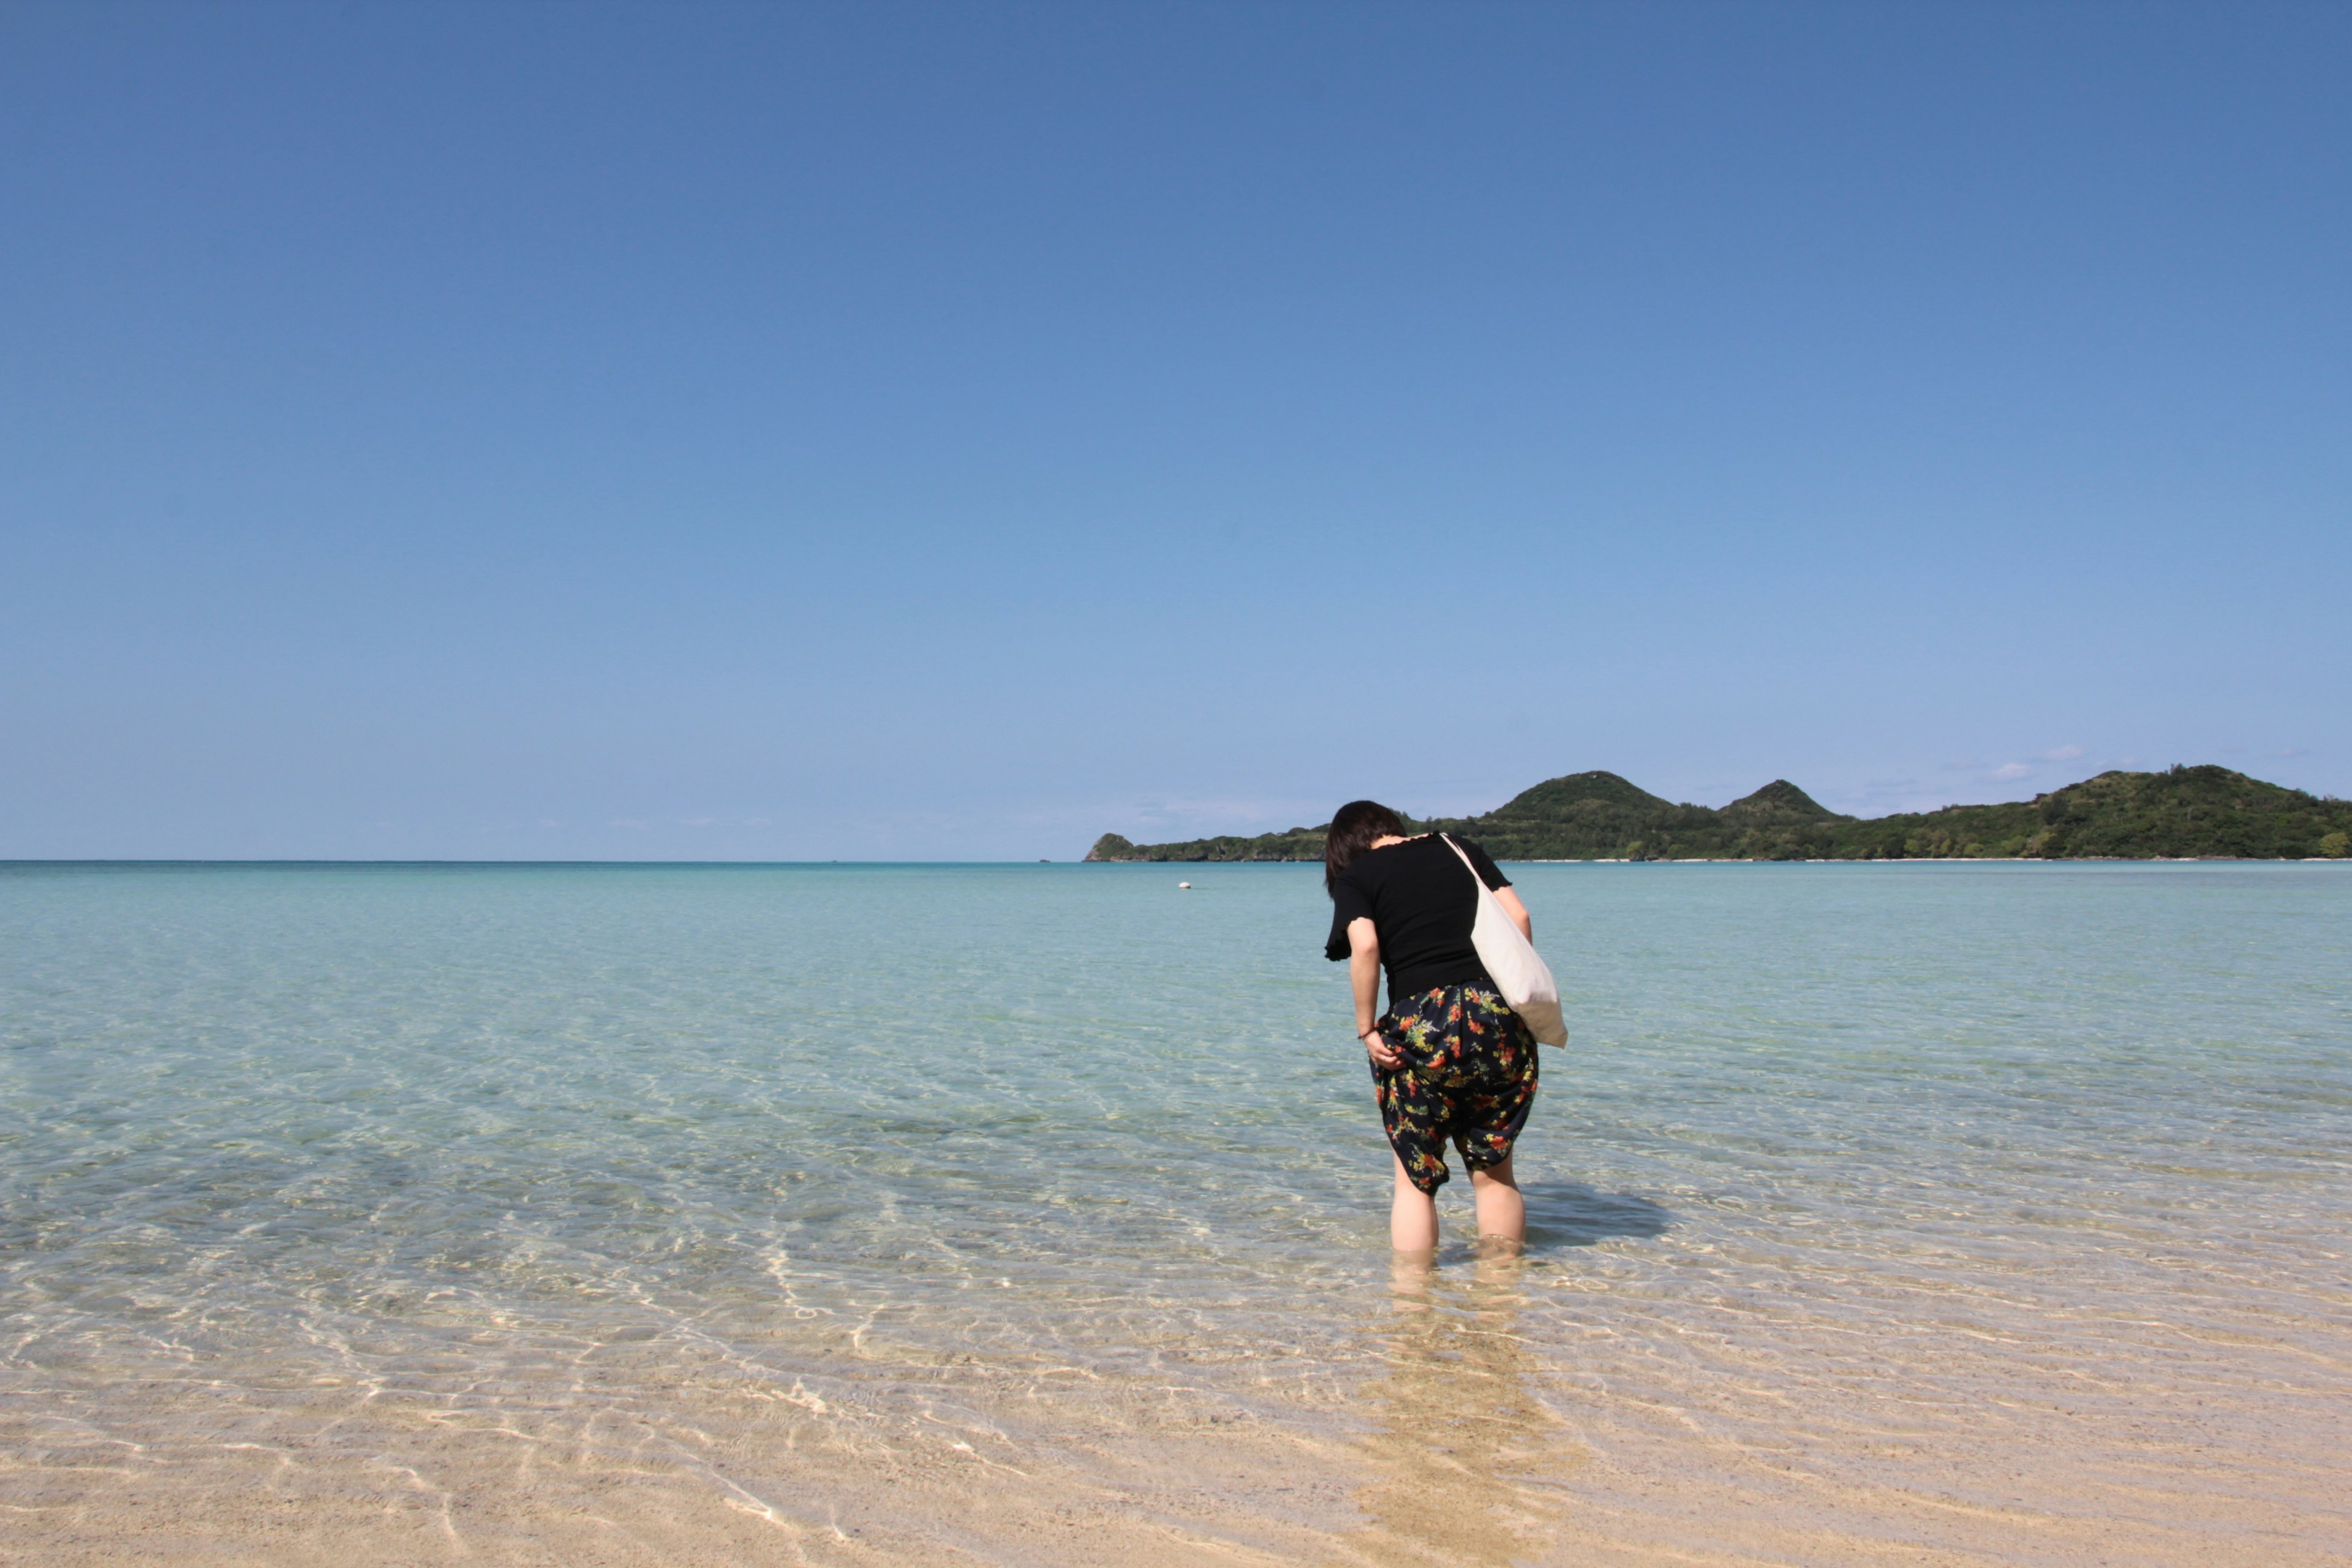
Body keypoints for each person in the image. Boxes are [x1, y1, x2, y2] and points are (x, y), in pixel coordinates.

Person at [1324, 800, 1540, 1257]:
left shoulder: (1357, 877)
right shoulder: (1458, 848)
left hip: (1423, 1022)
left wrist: (1366, 1028)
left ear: (1344, 848)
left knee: (1414, 1180)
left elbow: (1365, 947)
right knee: (1494, 1172)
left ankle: (1415, 1307)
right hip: (1492, 1012)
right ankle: (1501, 1297)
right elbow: (1518, 917)